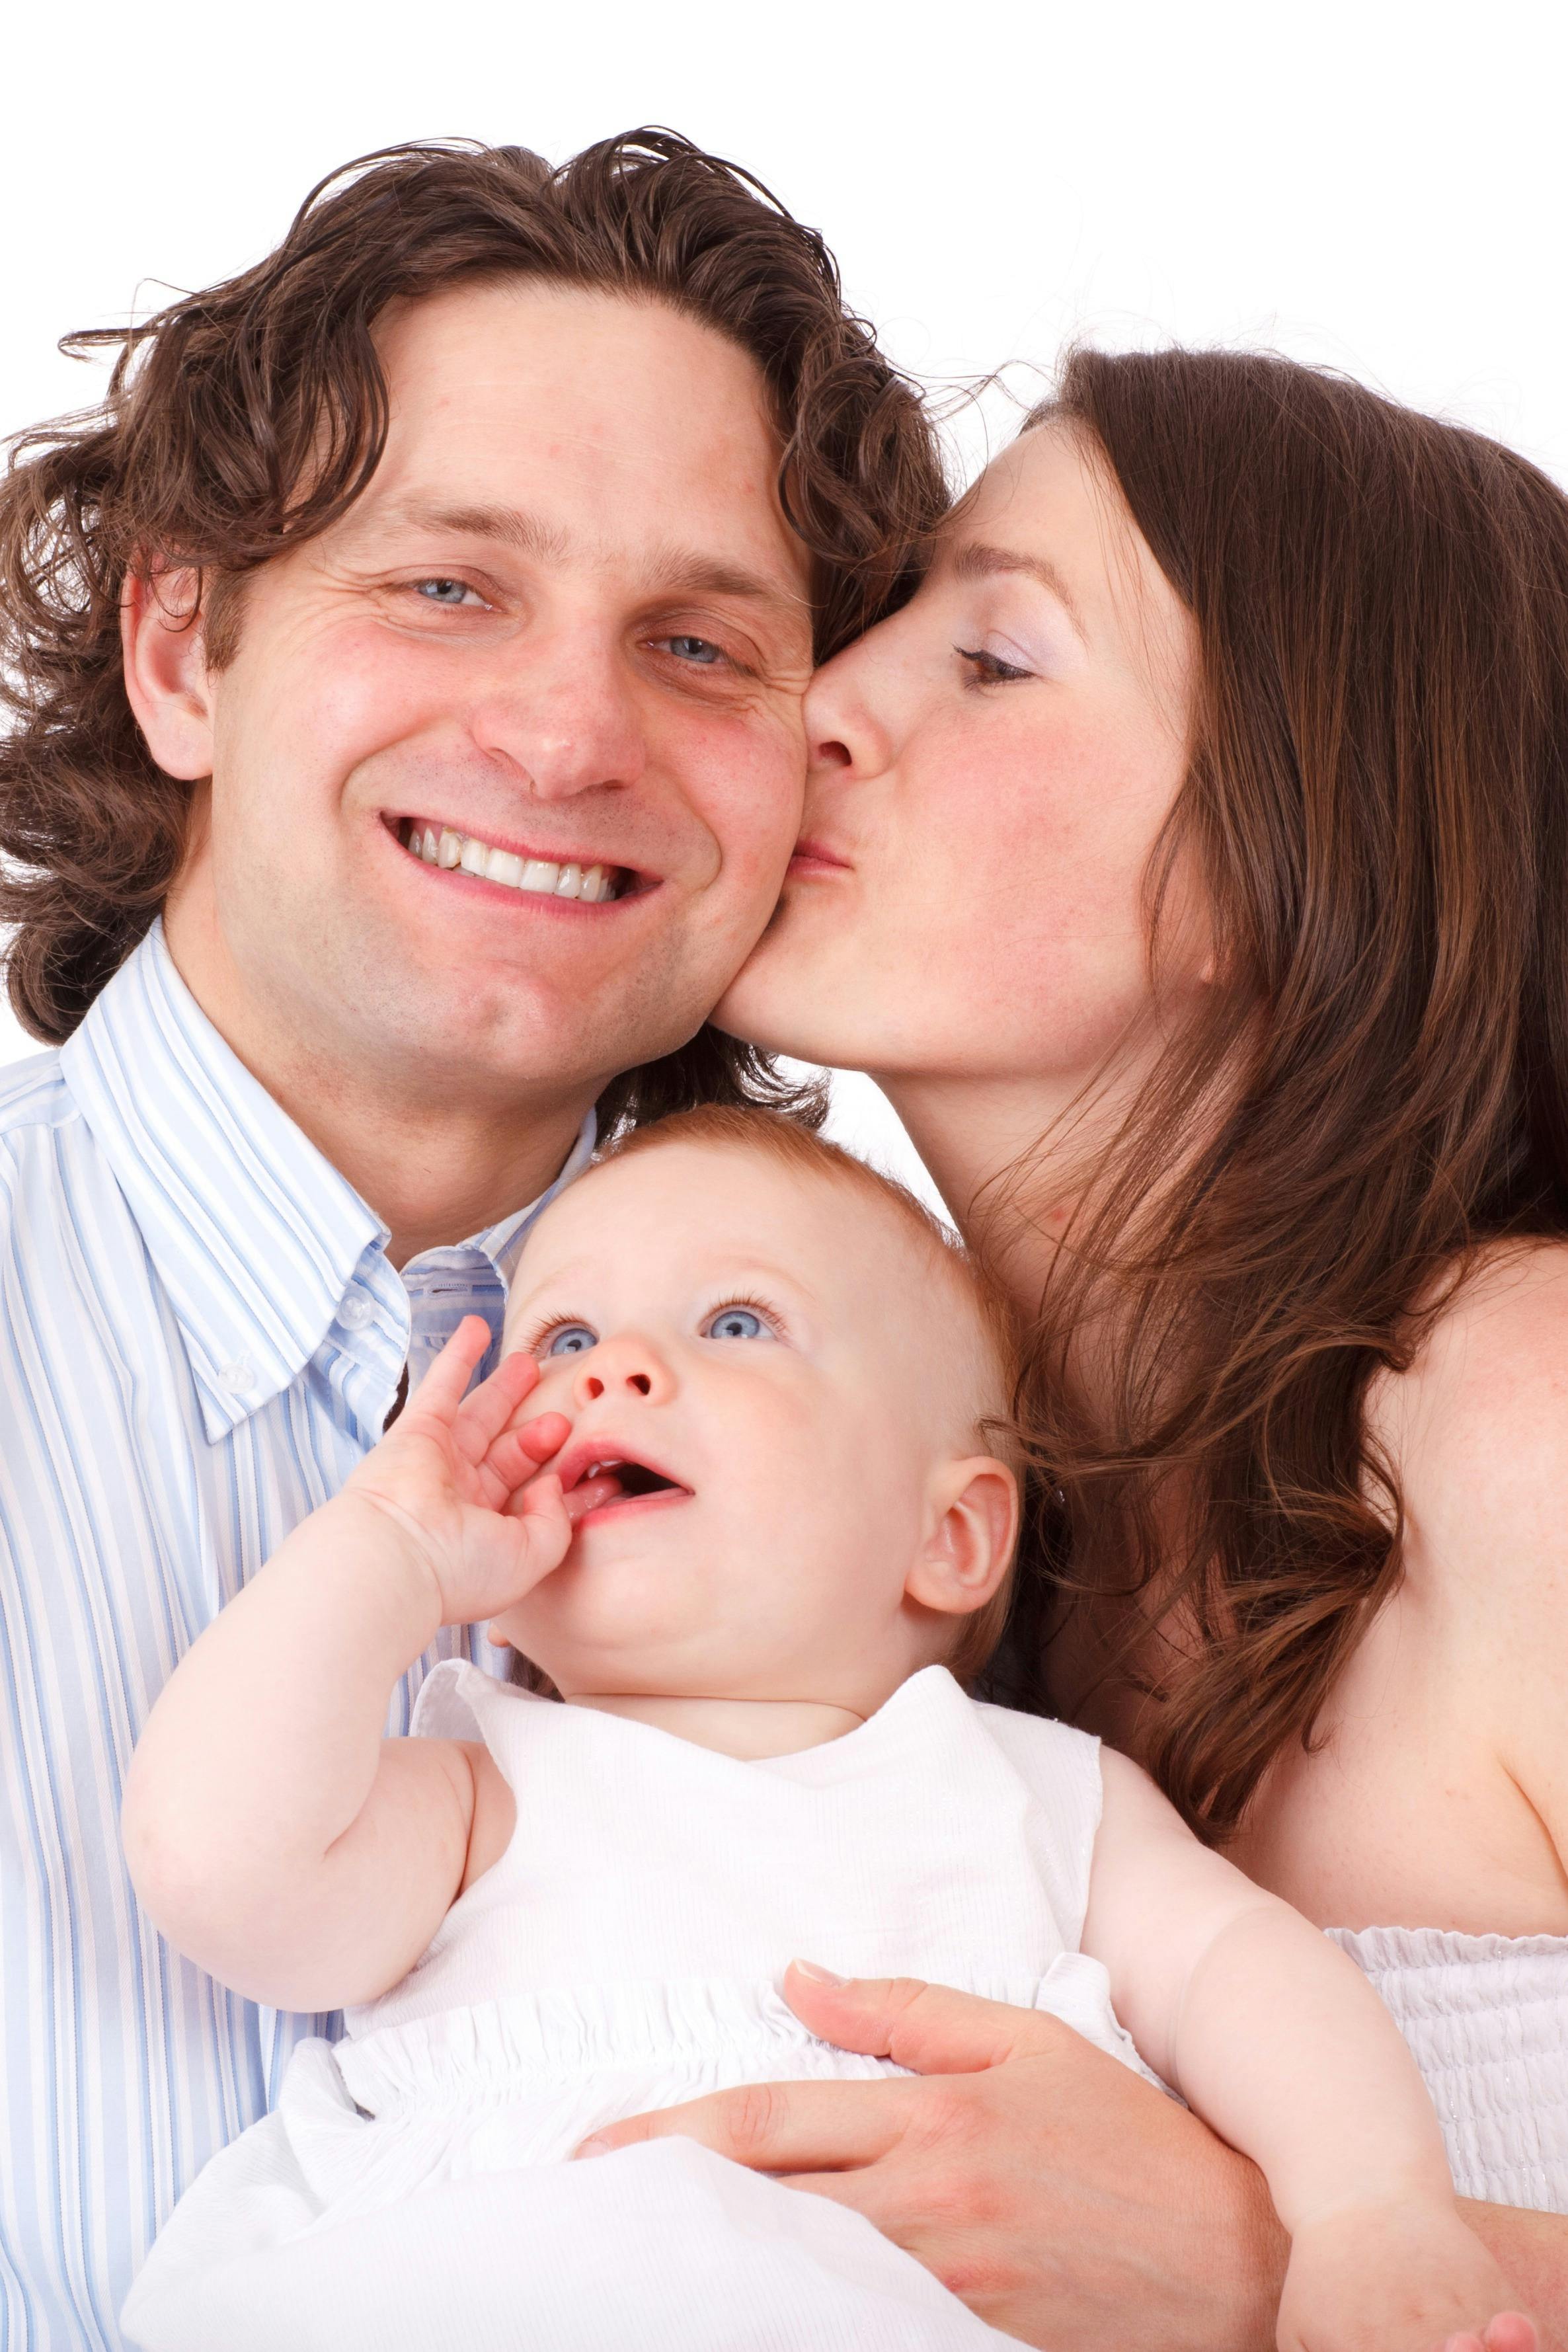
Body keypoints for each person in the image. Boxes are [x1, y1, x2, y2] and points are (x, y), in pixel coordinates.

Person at [0, 133, 944, 2347]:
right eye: (446, 586)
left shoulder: (928, 1410)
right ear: (180, 651)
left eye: (697, 642)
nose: (566, 732)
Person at [580, 349, 1568, 2343]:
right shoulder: (891, 1502)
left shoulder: (1517, 1413)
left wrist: (1251, 2262)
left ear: (1285, 855)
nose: (822, 701)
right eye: (886, 623)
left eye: (994, 657)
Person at [119, 1107, 1535, 2352]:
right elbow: (220, 1869)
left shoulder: (1038, 1796)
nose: (613, 1369)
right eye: (565, 1337)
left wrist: (1367, 2209)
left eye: (738, 1322)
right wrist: (388, 1550)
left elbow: (1251, 1978)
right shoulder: (486, 1795)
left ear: (950, 1534)